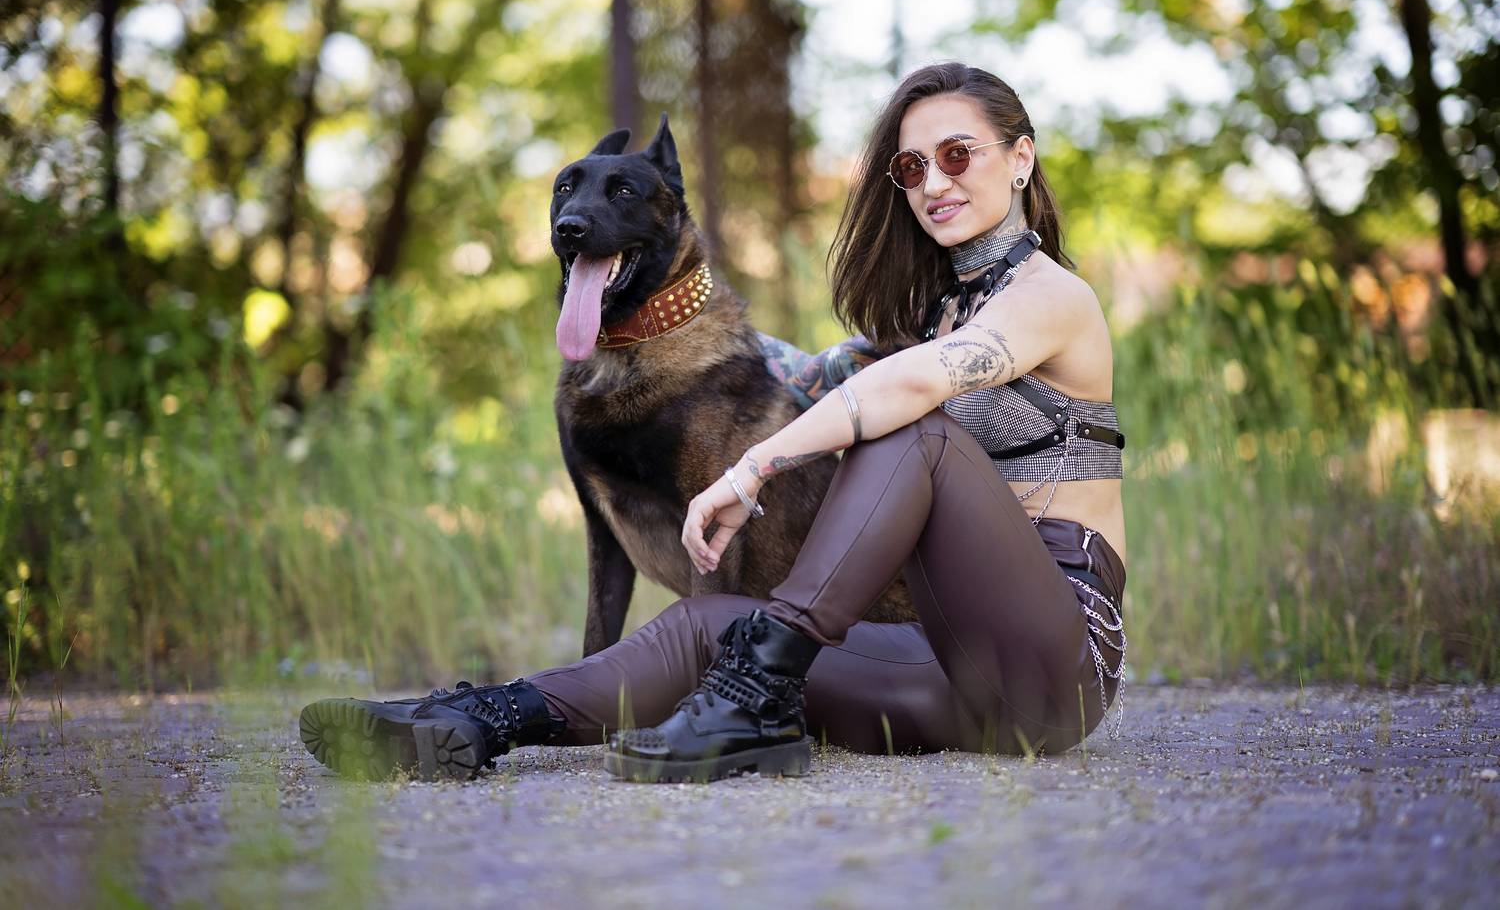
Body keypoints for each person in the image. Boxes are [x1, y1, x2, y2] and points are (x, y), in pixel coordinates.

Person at [299, 62, 1128, 784]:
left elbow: (910, 390)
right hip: (954, 674)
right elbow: (833, 373)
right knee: (709, 628)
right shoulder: (945, 312)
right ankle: (481, 719)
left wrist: (749, 468)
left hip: (1059, 665)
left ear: (1021, 158)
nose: (933, 183)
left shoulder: (1051, 296)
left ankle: (757, 698)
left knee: (912, 429)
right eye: (911, 167)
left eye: (957, 155)